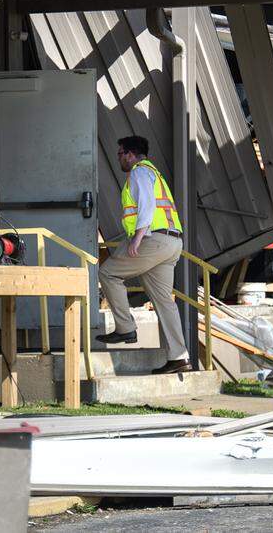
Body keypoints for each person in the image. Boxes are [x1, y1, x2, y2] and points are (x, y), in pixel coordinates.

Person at [96, 135, 189, 374]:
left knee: (108, 273)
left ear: (129, 154)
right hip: (171, 242)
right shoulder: (154, 173)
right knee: (164, 302)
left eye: (120, 154)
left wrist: (137, 237)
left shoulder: (138, 172)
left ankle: (125, 327)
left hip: (152, 240)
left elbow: (147, 206)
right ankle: (179, 356)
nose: (119, 159)